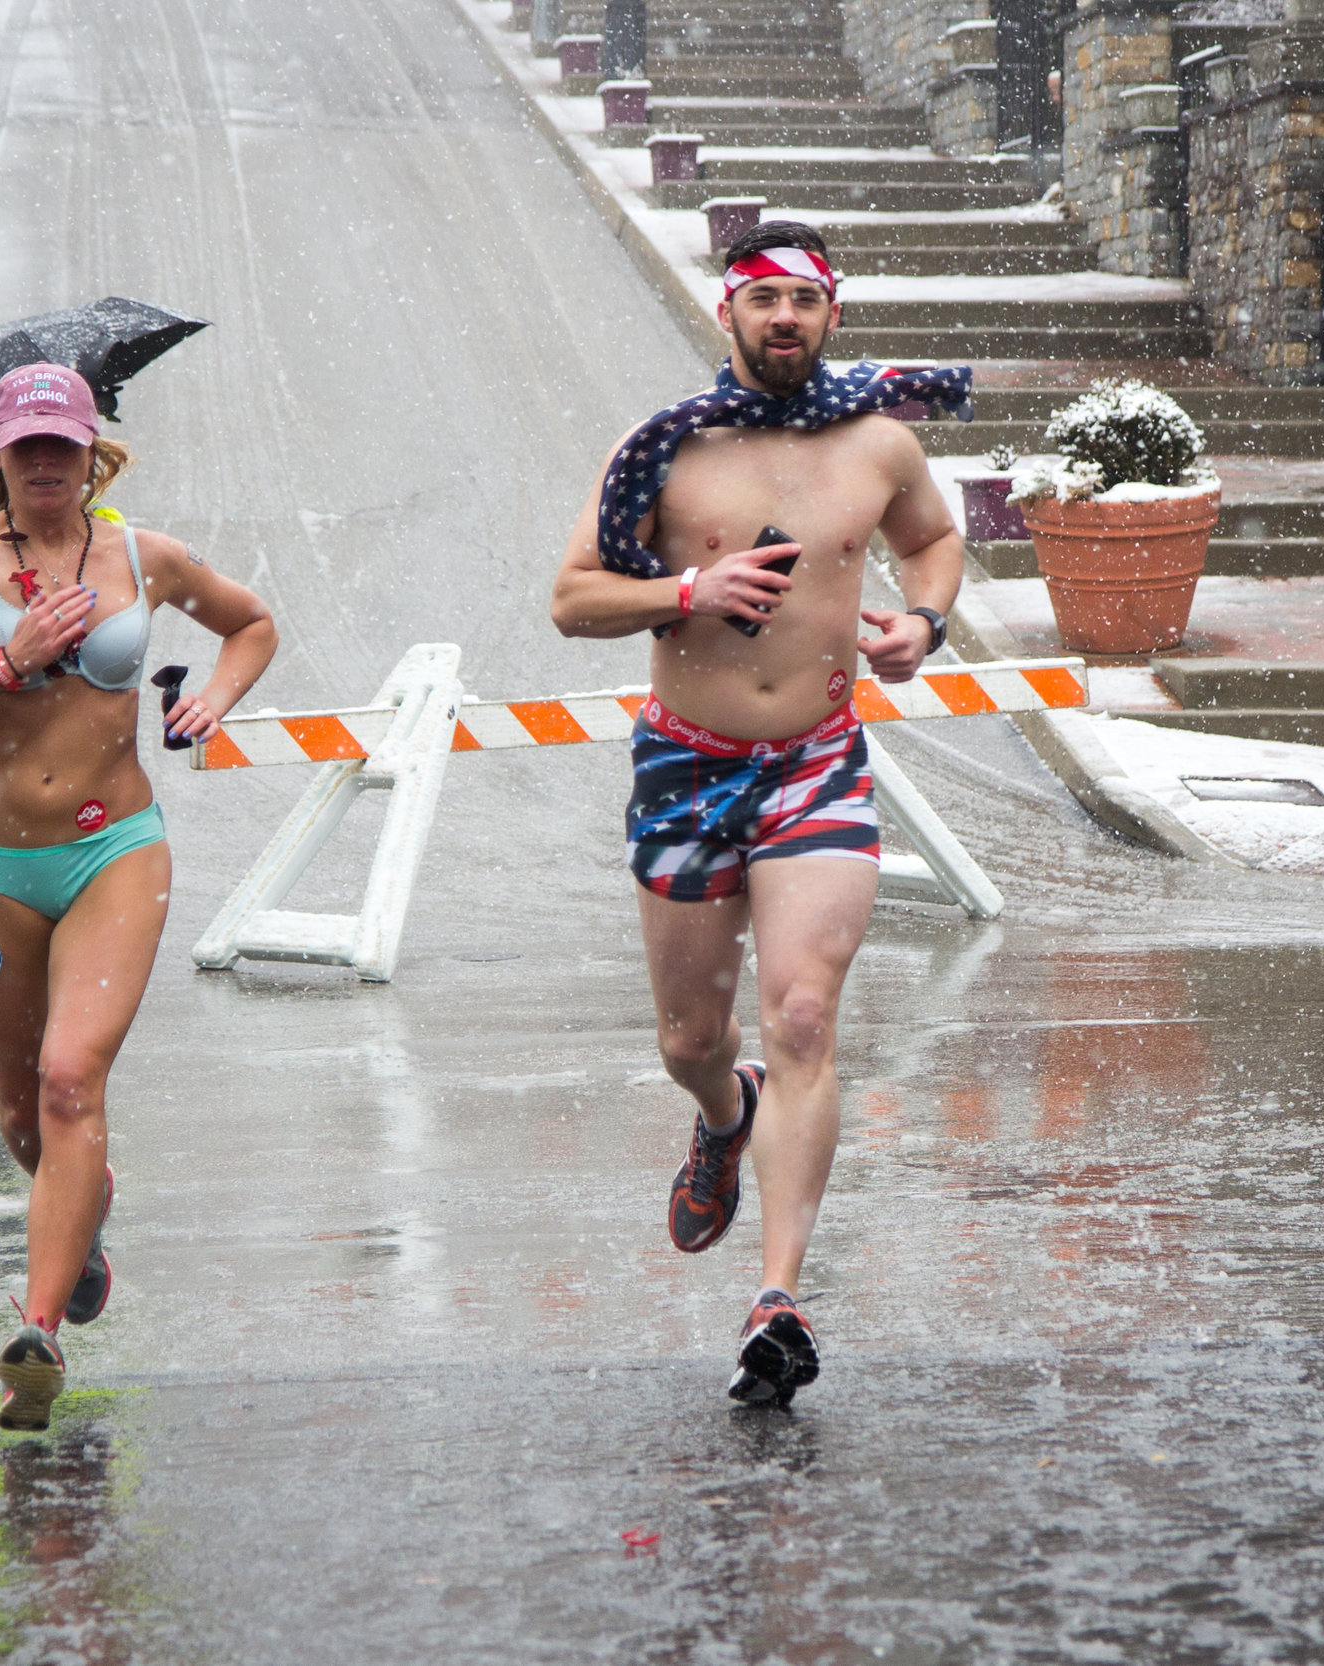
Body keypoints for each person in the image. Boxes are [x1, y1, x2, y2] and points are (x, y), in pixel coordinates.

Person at [550, 221, 970, 1409]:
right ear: (725, 316)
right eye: (761, 301)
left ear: (833, 315)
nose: (783, 319)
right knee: (693, 1038)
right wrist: (688, 588)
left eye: (803, 301)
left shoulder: (879, 445)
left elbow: (934, 543)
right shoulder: (666, 451)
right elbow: (572, 598)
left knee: (801, 1013)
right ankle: (719, 1114)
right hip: (687, 766)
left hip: (818, 762)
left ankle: (779, 1294)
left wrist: (919, 625)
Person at [0, 363, 276, 1433]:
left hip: (116, 854)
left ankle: (36, 1336)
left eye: (64, 445)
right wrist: (7, 664)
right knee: (20, 1116)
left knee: (67, 1079)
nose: (45, 464)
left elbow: (251, 625)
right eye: (25, 447)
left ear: (93, 452)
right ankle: (80, 1217)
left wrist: (212, 703)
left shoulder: (144, 556)